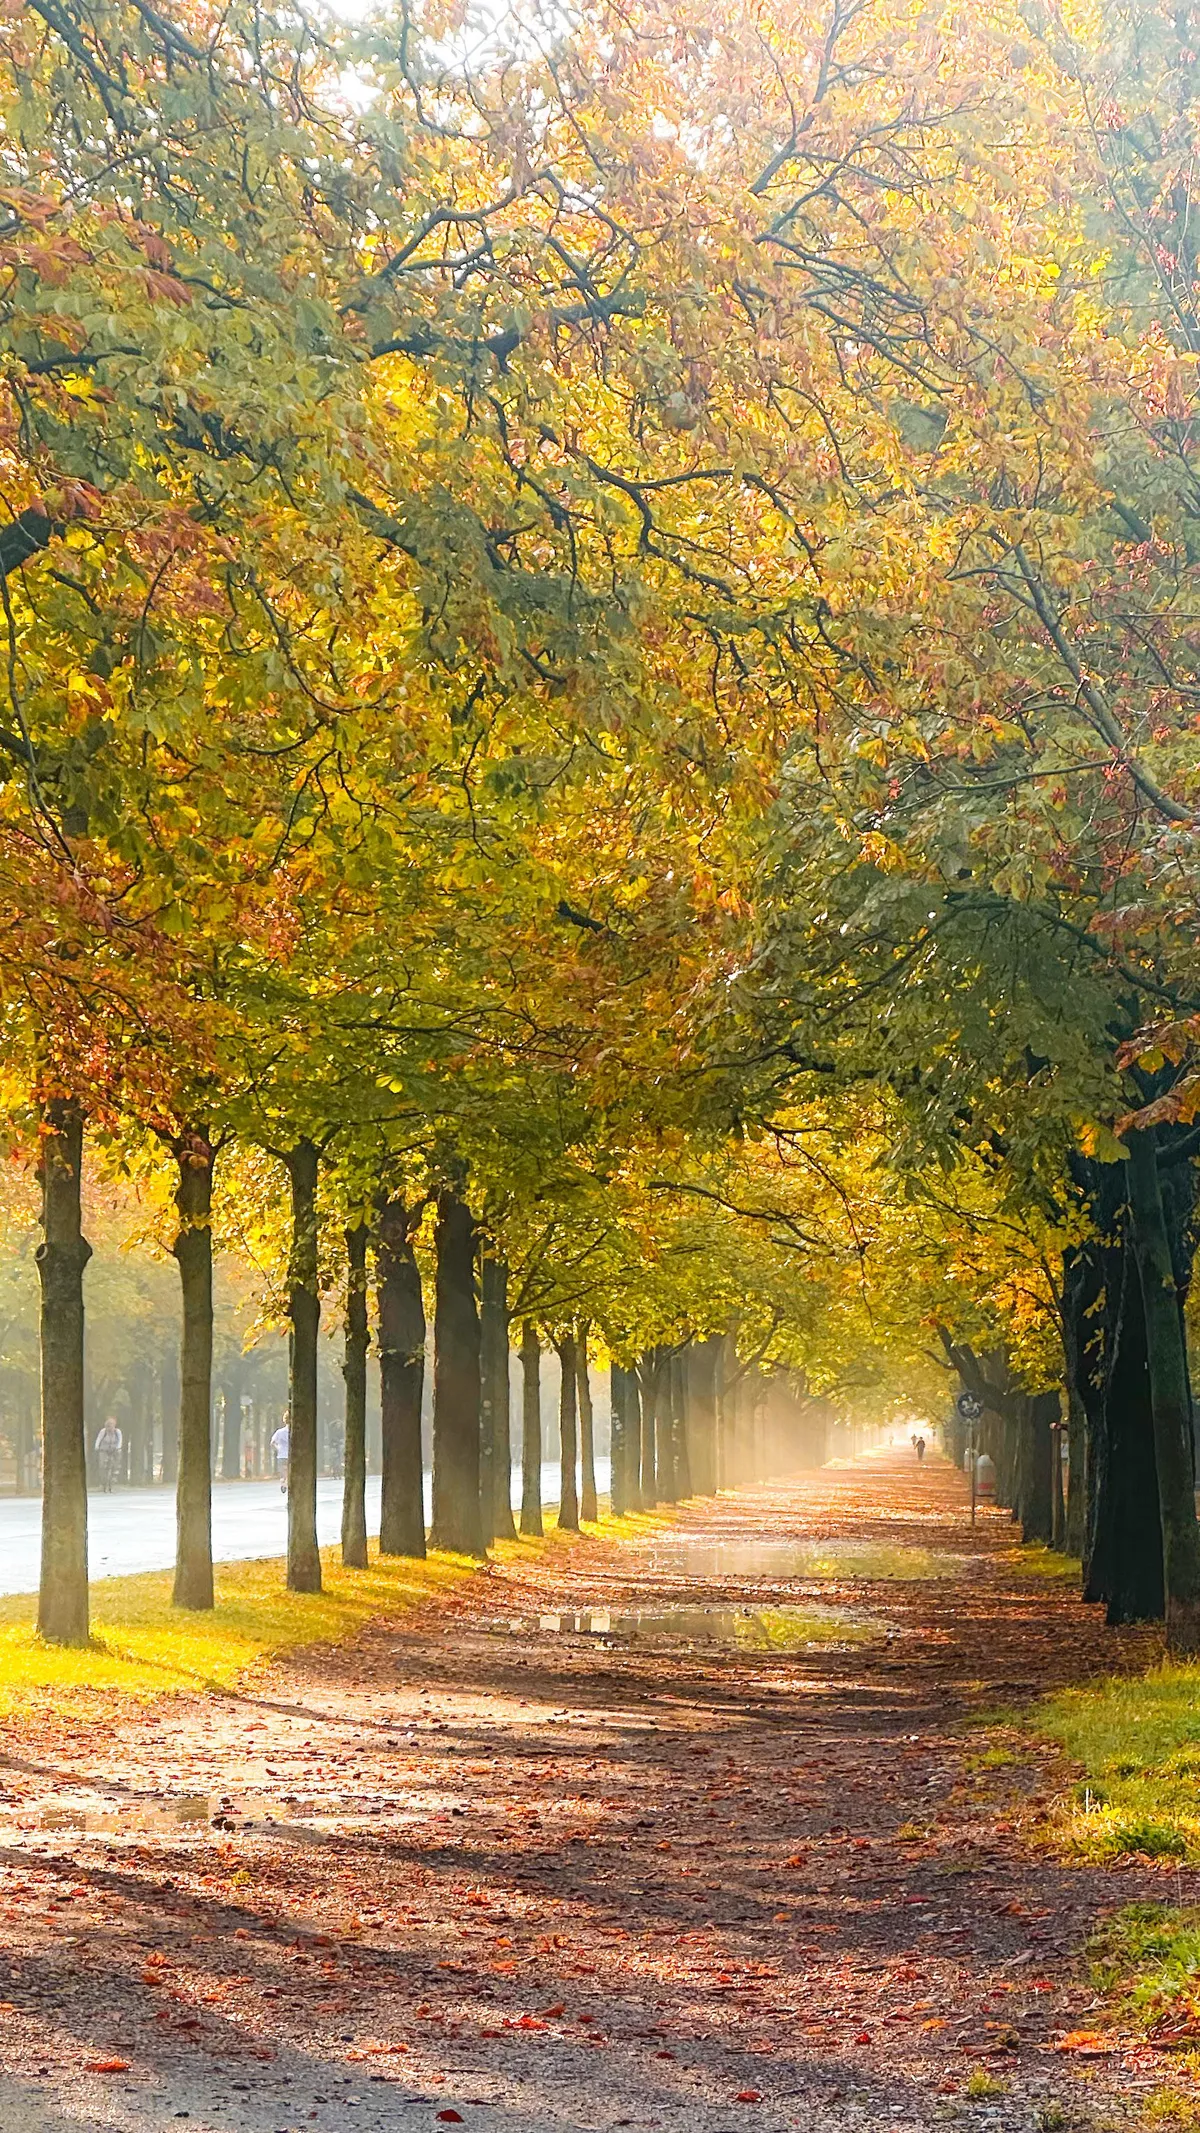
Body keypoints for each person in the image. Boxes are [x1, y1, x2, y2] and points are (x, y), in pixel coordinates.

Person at [94, 1418, 123, 1492]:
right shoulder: (103, 1432)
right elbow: (99, 1439)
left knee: (115, 1466)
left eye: (111, 1426)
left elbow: (120, 1440)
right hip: (104, 1450)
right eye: (108, 1427)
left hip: (114, 1450)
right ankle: (103, 1484)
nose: (109, 1429)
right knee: (102, 1466)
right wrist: (96, 1447)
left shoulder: (117, 1432)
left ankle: (112, 1484)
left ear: (114, 1426)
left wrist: (118, 1448)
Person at [270, 1419, 290, 1495]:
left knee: (283, 1471)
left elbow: (272, 1443)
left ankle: (282, 1481)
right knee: (289, 1472)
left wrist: (278, 1448)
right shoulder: (294, 1432)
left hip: (281, 1455)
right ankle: (286, 1483)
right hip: (290, 1456)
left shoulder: (279, 1432)